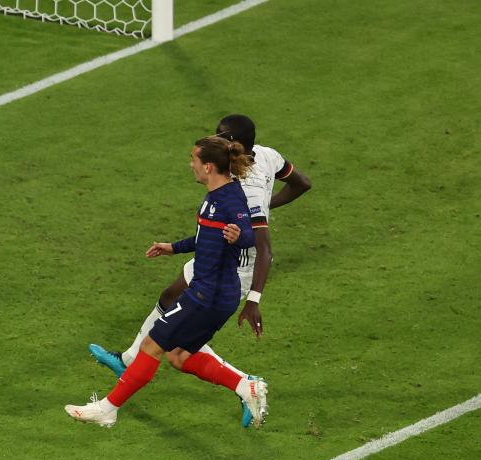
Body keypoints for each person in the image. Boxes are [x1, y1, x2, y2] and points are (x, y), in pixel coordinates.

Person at [87, 115, 312, 426]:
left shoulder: (244, 188)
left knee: (173, 343)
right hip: (214, 255)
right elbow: (303, 183)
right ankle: (128, 361)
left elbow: (263, 247)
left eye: (221, 136)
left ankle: (242, 383)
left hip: (232, 267)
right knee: (172, 304)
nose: (214, 139)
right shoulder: (264, 157)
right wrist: (174, 246)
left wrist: (255, 298)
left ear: (236, 145)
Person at [66, 136, 267, 428]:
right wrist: (172, 247)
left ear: (208, 167)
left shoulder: (230, 199)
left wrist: (241, 237)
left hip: (208, 296)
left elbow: (252, 237)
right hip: (210, 294)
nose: (191, 165)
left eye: (193, 160)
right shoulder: (215, 197)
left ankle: (108, 409)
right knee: (180, 356)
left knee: (151, 345)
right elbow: (204, 239)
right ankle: (244, 386)